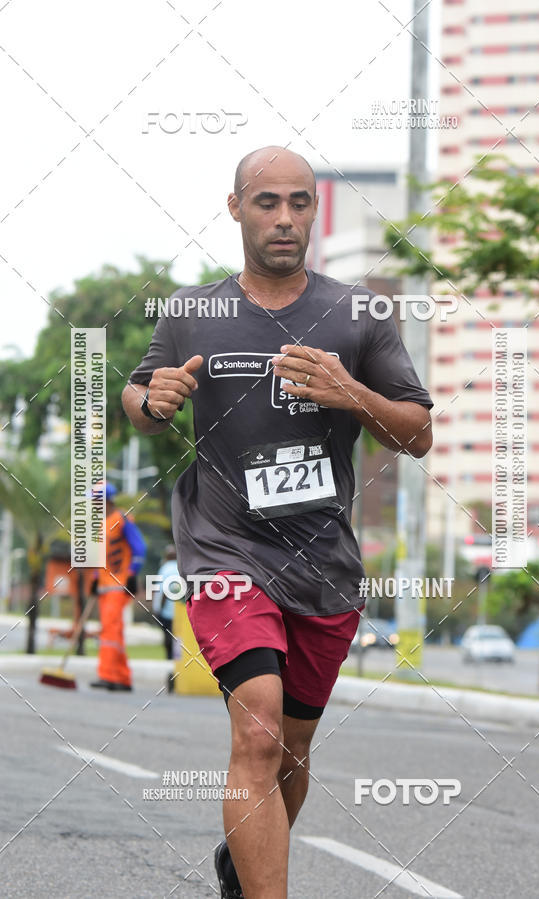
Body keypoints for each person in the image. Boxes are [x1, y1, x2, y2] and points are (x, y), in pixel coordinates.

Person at [122, 146, 433, 899]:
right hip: (223, 548)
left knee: (289, 751)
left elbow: (415, 433)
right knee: (257, 723)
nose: (284, 217)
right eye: (267, 202)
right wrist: (154, 401)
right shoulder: (192, 312)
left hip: (323, 565)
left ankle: (244, 856)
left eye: (299, 201)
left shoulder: (358, 313)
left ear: (313, 211)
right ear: (236, 208)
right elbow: (139, 399)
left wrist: (349, 391)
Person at [89, 482, 146, 692]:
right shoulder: (100, 524)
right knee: (115, 631)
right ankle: (122, 678)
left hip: (119, 585)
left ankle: (107, 674)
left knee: (109, 630)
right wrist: (95, 578)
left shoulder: (122, 520)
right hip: (105, 586)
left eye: (95, 500)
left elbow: (140, 548)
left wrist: (132, 574)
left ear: (106, 501)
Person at [151, 544, 181, 659]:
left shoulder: (165, 568)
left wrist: (159, 609)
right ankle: (177, 661)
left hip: (167, 611)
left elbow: (163, 591)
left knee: (168, 638)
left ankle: (170, 661)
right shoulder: (180, 567)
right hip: (180, 611)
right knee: (178, 638)